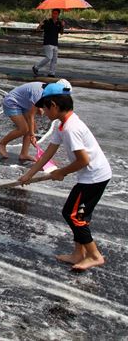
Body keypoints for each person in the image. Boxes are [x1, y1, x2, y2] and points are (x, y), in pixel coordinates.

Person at [19, 82, 111, 271]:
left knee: (73, 215)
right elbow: (47, 153)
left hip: (94, 177)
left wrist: (61, 172)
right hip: (91, 176)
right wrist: (29, 174)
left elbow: (83, 160)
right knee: (77, 215)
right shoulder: (63, 124)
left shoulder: (71, 129)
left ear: (53, 105)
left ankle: (94, 256)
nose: (42, 112)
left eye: (44, 107)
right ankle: (78, 254)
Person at [0, 81, 49, 161]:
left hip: (23, 103)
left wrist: (39, 108)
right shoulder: (39, 93)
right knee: (23, 129)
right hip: (12, 102)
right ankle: (2, 143)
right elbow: (31, 115)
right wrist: (32, 135)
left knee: (33, 127)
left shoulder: (47, 89)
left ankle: (24, 154)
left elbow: (35, 105)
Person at [33, 9, 65, 78]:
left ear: (58, 14)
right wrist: (40, 25)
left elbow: (61, 33)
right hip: (47, 42)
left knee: (54, 59)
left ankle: (51, 73)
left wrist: (62, 26)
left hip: (55, 43)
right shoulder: (47, 21)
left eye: (56, 14)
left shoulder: (59, 23)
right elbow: (38, 29)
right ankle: (36, 67)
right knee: (49, 57)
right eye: (53, 13)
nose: (54, 15)